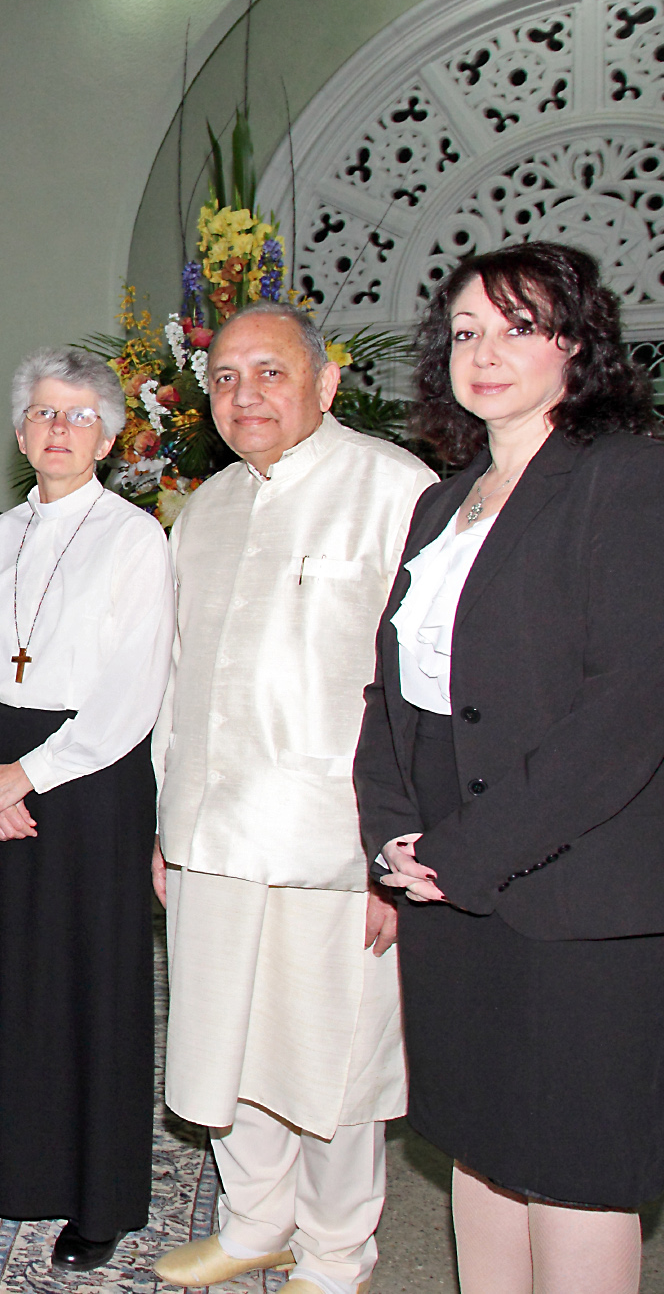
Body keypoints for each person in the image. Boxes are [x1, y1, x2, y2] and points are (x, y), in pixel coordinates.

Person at [354, 242, 664, 1294]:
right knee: (480, 1144)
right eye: (465, 332)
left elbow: (627, 709)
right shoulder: (441, 502)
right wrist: (388, 832)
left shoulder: (626, 476)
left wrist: (466, 852)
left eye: (517, 327)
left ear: (575, 343)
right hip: (444, 876)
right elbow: (391, 691)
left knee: (572, 1168)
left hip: (566, 887)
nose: (483, 353)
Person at [152, 303, 435, 1294]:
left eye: (268, 373)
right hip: (208, 831)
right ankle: (252, 1220)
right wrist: (163, 824)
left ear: (321, 380)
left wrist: (396, 859)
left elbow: (426, 687)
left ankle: (332, 1251)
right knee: (227, 1046)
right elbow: (176, 677)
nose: (244, 396)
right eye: (224, 378)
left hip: (334, 842)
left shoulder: (395, 492)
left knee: (329, 1062)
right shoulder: (204, 509)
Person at [0, 353, 173, 1272]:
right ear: (21, 435)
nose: (56, 430)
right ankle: (7, 1157)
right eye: (40, 414)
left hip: (88, 775)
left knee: (83, 982)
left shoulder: (135, 537)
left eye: (76, 416)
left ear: (107, 436)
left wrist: (27, 773)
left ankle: (92, 1193)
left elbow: (132, 690)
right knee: (3, 970)